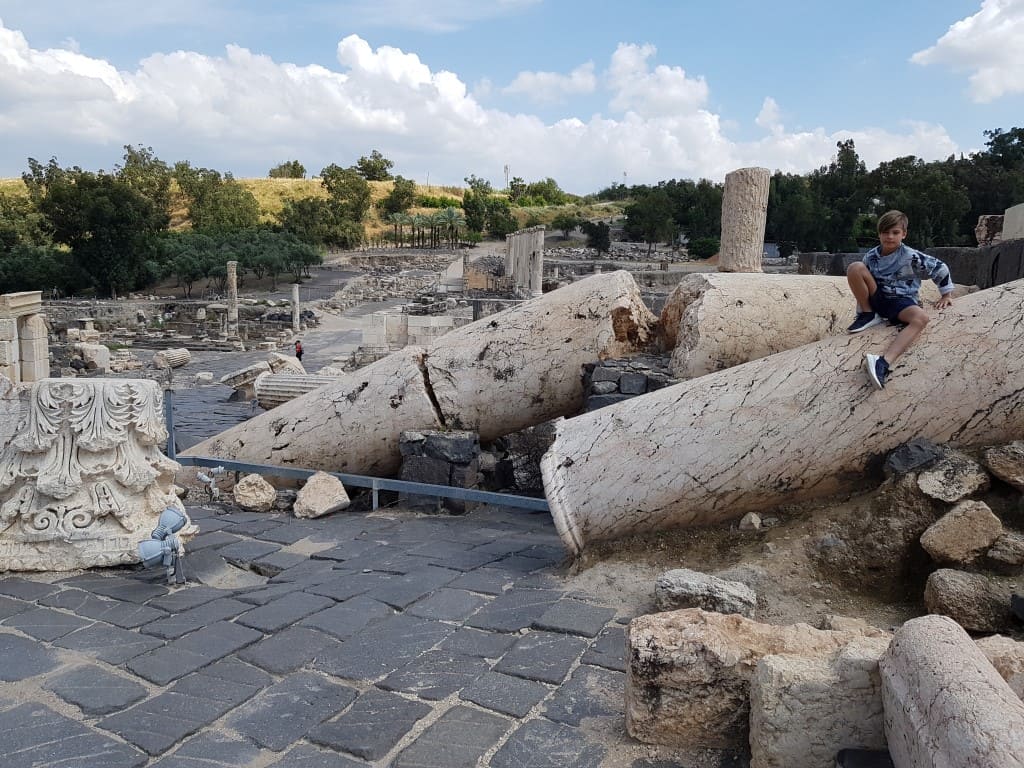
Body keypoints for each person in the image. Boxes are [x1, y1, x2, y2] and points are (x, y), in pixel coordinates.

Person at [846, 210, 954, 390]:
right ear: (879, 234)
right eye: (885, 232)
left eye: (895, 232)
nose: (890, 237)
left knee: (921, 318)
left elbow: (939, 268)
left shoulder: (911, 256)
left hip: (901, 301)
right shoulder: (871, 256)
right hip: (878, 296)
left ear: (904, 234)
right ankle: (868, 314)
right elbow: (863, 279)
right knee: (855, 267)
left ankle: (883, 362)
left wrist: (946, 294)